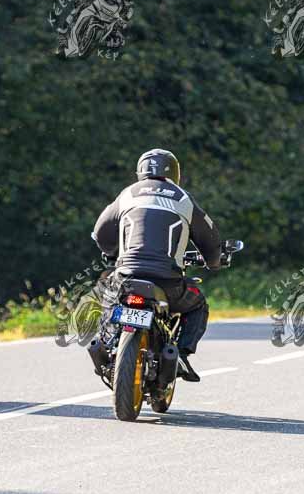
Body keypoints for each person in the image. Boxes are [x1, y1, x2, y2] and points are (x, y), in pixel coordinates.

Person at [92, 149, 221, 382]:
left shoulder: (128, 194)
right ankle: (182, 354)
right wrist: (214, 262)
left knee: (109, 296)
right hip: (168, 281)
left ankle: (103, 343)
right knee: (198, 304)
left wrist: (112, 253)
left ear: (140, 170)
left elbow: (101, 232)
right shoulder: (183, 198)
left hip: (126, 276)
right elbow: (210, 239)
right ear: (174, 172)